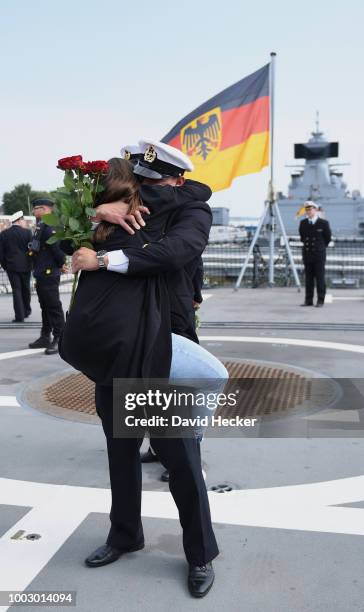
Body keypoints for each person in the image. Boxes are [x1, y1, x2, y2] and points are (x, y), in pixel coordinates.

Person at [69, 142, 227, 597]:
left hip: (161, 347)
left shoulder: (191, 211)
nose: (145, 190)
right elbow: (61, 239)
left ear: (176, 181)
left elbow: (178, 252)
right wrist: (99, 211)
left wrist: (105, 258)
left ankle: (199, 554)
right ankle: (125, 534)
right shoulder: (114, 206)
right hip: (115, 346)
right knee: (120, 453)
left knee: (180, 458)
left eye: (154, 182)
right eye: (140, 180)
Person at [28, 198, 67, 354]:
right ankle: (45, 337)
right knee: (45, 307)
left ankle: (60, 338)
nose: (33, 212)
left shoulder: (50, 225)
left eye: (35, 208)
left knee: (53, 307)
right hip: (41, 272)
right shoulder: (41, 225)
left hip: (49, 272)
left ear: (44, 209)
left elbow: (57, 249)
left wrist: (61, 264)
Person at [0, 210, 32, 322]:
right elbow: (31, 250)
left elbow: (1, 253)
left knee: (16, 290)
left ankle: (19, 316)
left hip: (11, 267)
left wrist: (5, 265)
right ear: (19, 220)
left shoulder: (4, 234)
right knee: (26, 288)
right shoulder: (28, 233)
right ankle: (27, 311)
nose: (24, 222)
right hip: (26, 266)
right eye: (23, 220)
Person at [299, 200, 332, 307]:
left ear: (316, 210)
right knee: (308, 279)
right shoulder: (303, 223)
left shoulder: (323, 223)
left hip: (319, 255)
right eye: (306, 209)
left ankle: (320, 300)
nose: (308, 211)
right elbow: (303, 238)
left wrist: (320, 247)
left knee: (320, 278)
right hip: (307, 254)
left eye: (310, 209)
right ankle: (308, 300)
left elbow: (327, 238)